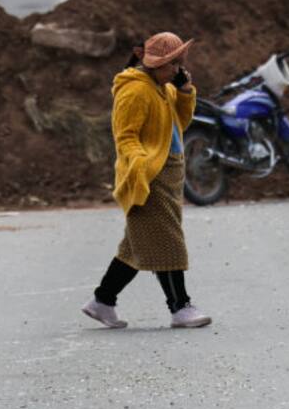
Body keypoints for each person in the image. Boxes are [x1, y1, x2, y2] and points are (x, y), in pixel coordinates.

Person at [81, 32, 211, 330]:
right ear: (155, 64)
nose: (178, 70)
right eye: (173, 64)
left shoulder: (162, 87)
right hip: (149, 176)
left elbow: (181, 122)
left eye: (180, 64)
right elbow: (125, 135)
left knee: (136, 248)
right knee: (168, 241)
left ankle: (102, 301)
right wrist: (140, 166)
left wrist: (187, 91)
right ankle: (180, 307)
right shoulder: (135, 91)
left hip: (169, 173)